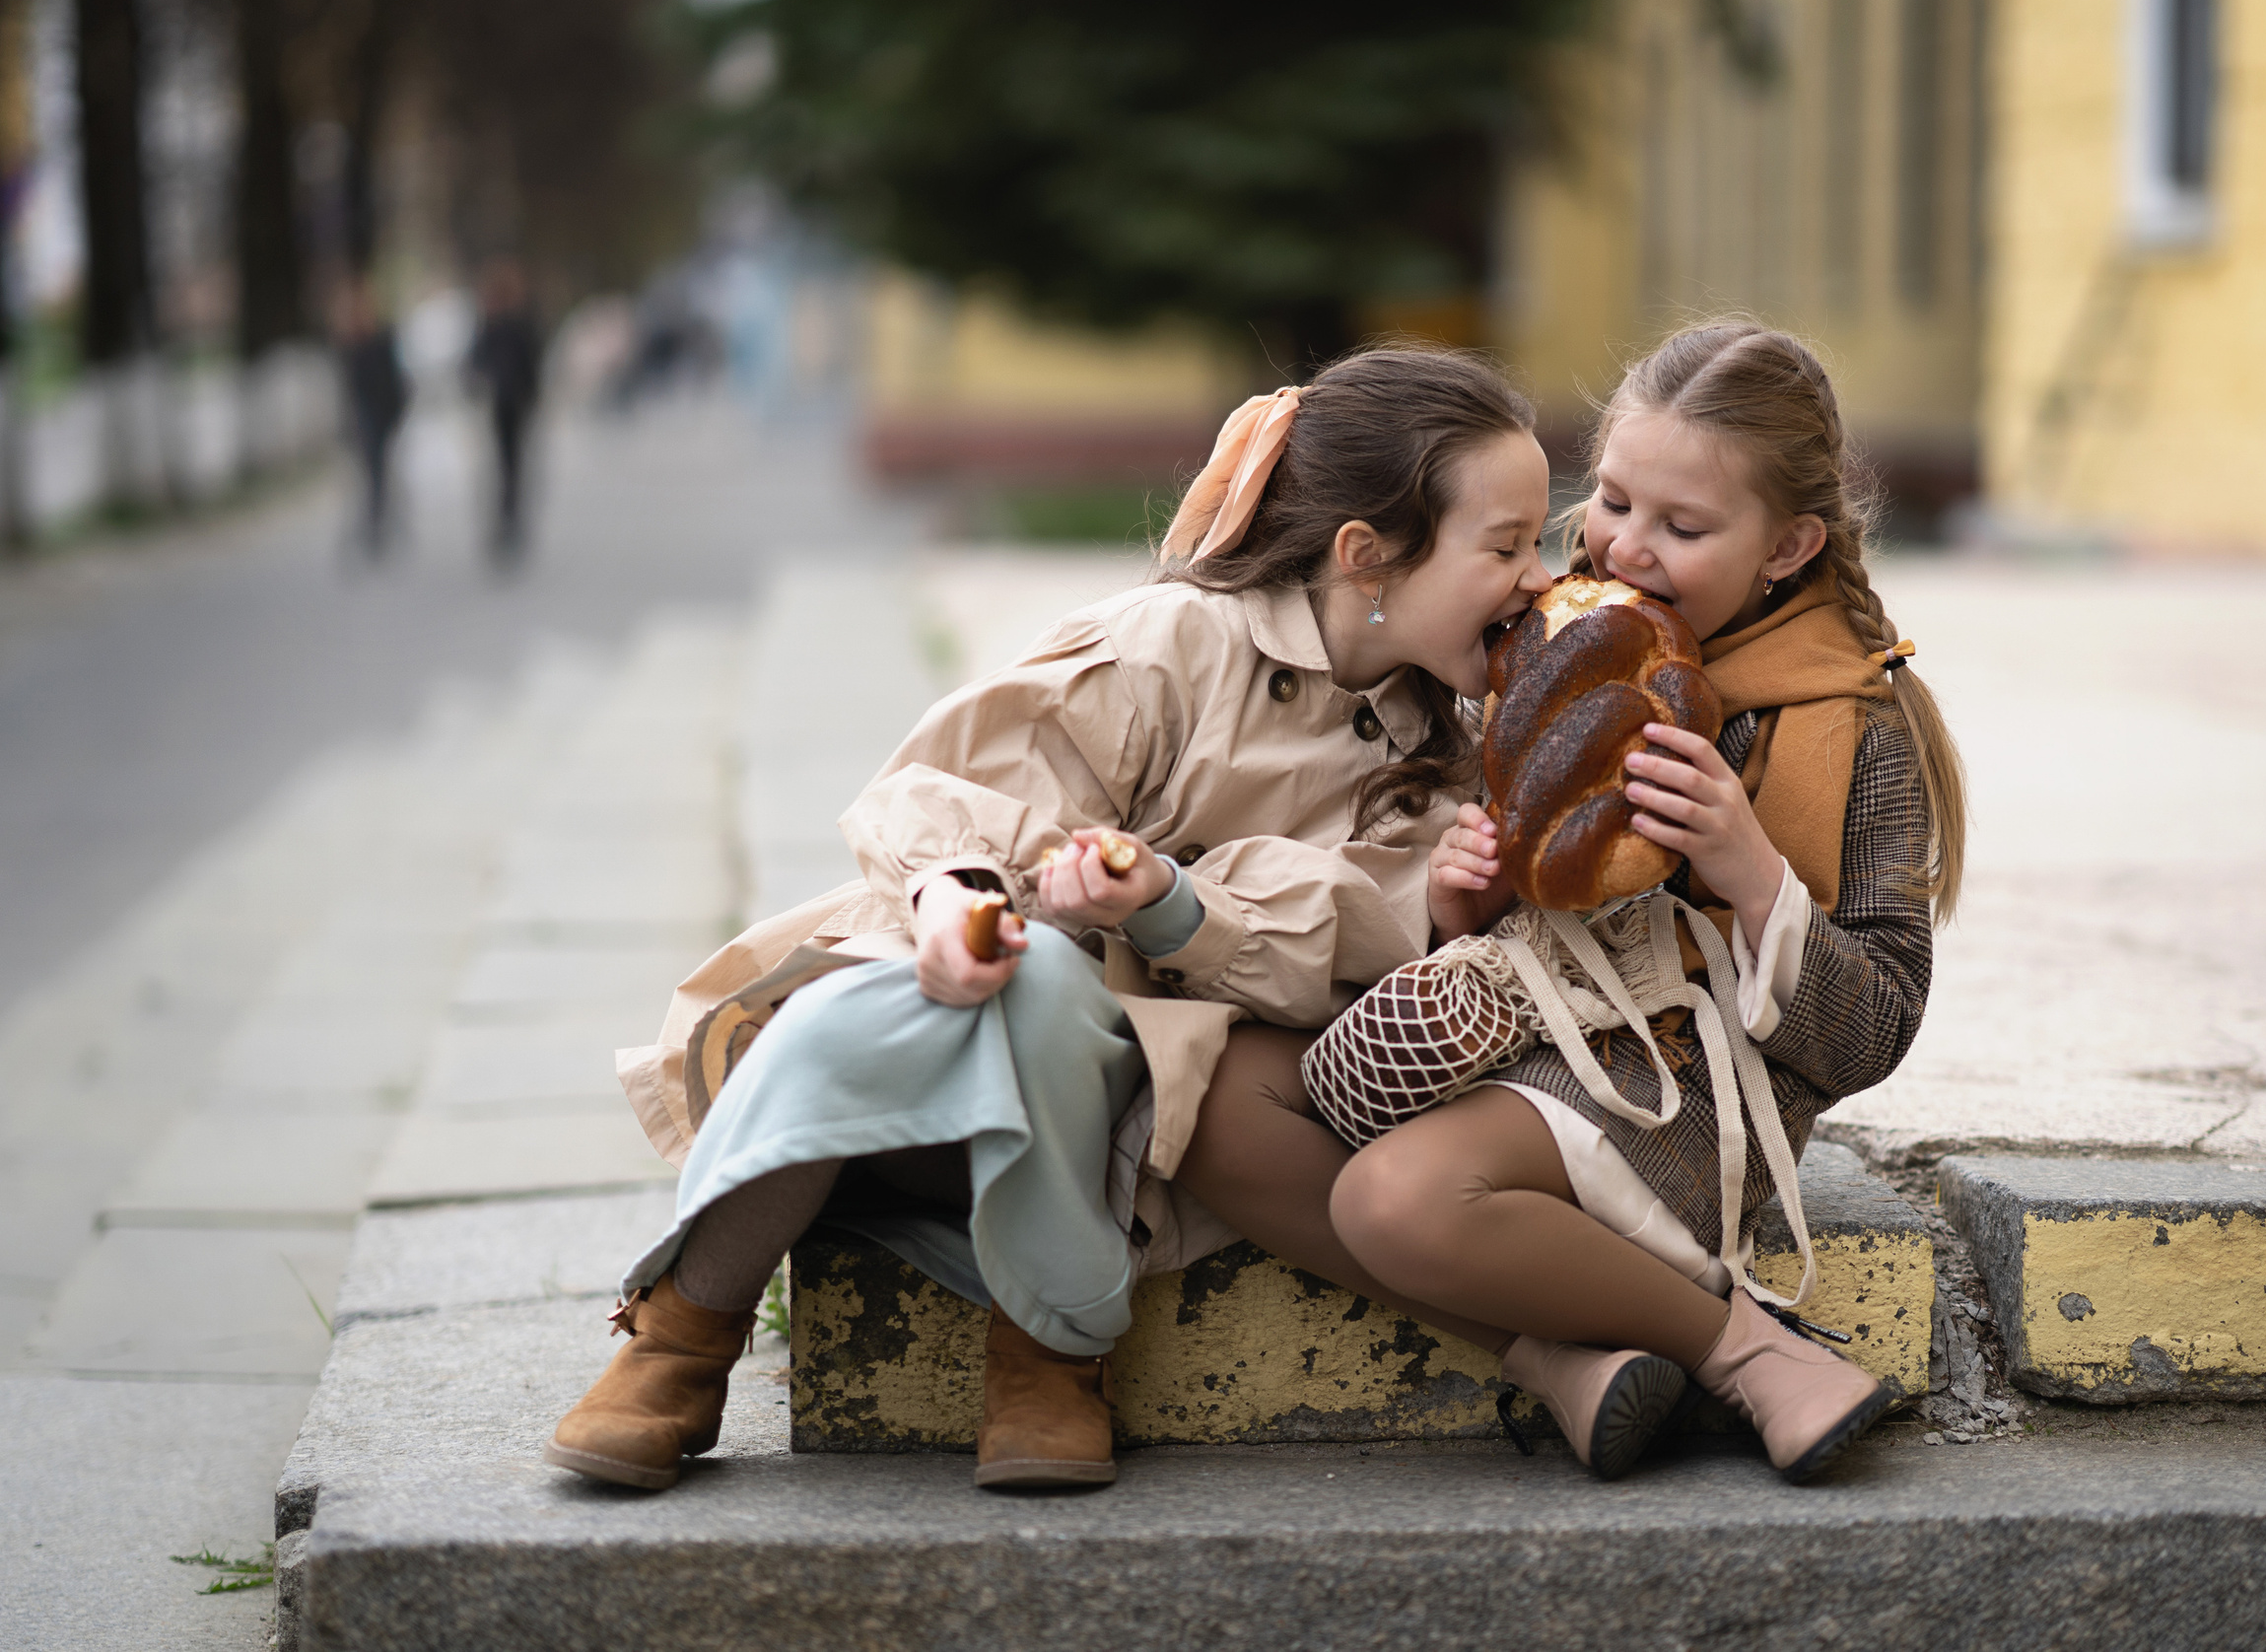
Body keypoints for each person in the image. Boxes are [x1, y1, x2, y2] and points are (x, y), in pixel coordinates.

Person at [547, 347, 1555, 1494]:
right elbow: (945, 790)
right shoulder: (1176, 641)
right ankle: (691, 1335)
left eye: (1539, 543)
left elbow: (1341, 951)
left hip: (1133, 1126)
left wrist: (1170, 905)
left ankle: (1022, 1347)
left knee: (1048, 997)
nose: (1537, 578)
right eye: (1507, 544)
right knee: (926, 991)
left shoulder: (1450, 758)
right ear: (1368, 557)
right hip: (925, 1080)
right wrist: (955, 905)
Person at [1178, 321, 1967, 1483]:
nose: (1626, 548)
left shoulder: (1851, 727)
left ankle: (1752, 1352)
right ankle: (1561, 1363)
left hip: (1682, 1098)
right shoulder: (1547, 647)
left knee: (1398, 1202)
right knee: (1200, 1092)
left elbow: (1872, 1032)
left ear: (1789, 544)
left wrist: (1747, 865)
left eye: (1684, 528)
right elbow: (1506, 924)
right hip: (1515, 1036)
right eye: (1610, 500)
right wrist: (1462, 903)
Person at [465, 256, 543, 565]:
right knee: (507, 466)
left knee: (511, 466)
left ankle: (510, 521)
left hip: (515, 403)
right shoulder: (493, 323)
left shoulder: (517, 322)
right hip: (502, 403)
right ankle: (506, 521)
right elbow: (476, 361)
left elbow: (530, 361)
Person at [332, 275, 407, 558]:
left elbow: (394, 380)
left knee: (380, 471)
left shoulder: (383, 338)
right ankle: (374, 521)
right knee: (370, 472)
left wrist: (396, 412)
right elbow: (348, 388)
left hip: (384, 413)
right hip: (363, 418)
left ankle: (380, 519)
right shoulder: (349, 345)